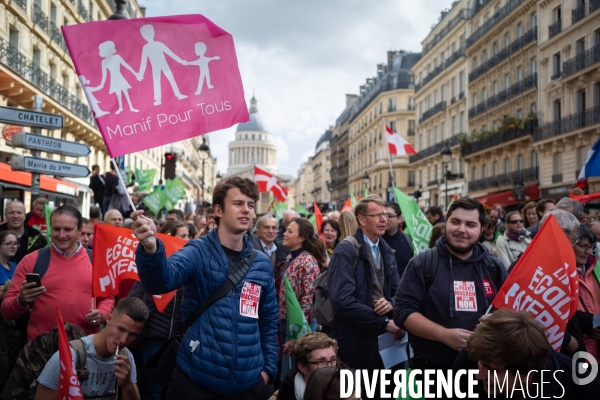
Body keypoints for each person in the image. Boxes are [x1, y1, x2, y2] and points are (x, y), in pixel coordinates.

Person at [132, 176, 278, 399]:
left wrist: (267, 372)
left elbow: (268, 322)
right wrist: (151, 248)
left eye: (250, 205)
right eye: (238, 204)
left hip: (248, 385)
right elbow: (161, 281)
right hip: (196, 381)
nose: (246, 210)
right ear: (218, 210)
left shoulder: (261, 264)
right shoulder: (197, 251)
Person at [394, 197, 507, 373]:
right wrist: (444, 335)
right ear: (446, 224)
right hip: (433, 372)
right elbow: (403, 312)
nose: (461, 230)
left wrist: (499, 320)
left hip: (485, 372)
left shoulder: (494, 266)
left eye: (470, 224)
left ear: (481, 229)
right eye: (455, 222)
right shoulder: (422, 264)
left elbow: (510, 310)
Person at [1, 205, 115, 342]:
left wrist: (102, 314)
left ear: (79, 230)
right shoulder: (31, 261)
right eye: (56, 229)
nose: (61, 235)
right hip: (42, 350)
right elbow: (6, 310)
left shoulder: (97, 261)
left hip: (85, 348)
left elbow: (107, 298)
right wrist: (21, 300)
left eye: (67, 229)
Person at [328, 195, 402, 397]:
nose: (384, 220)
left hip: (384, 347)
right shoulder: (346, 249)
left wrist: (390, 304)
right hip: (353, 344)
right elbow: (342, 300)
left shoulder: (387, 250)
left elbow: (399, 293)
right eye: (377, 215)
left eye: (386, 215)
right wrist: (383, 322)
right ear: (362, 219)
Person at [453, 309, 600, 398]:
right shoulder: (470, 360)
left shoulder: (585, 388)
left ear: (525, 375)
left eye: (492, 370)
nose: (479, 375)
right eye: (482, 364)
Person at [34, 297, 148, 400]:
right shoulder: (70, 357)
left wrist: (127, 384)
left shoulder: (126, 357)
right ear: (108, 319)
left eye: (132, 335)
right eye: (121, 329)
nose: (123, 340)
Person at [129, 222, 189, 400]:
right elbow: (136, 302)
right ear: (169, 236)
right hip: (154, 340)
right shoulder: (152, 265)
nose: (188, 240)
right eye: (183, 235)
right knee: (153, 390)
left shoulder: (187, 265)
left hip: (177, 340)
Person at [278, 218, 324, 381]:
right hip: (287, 322)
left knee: (292, 375)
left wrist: (295, 335)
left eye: (290, 231)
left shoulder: (307, 262)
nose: (284, 233)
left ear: (301, 238)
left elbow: (308, 300)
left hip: (299, 326)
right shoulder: (291, 256)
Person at [275, 332, 338, 400]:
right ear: (303, 368)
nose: (330, 366)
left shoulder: (345, 389)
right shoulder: (287, 392)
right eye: (321, 362)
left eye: (333, 359)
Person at [572, 224, 600, 362]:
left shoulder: (597, 266)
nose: (587, 251)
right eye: (583, 246)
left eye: (590, 247)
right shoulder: (561, 274)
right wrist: (587, 322)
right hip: (580, 346)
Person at [381, 202, 413, 279]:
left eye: (389, 215)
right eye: (382, 215)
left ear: (400, 218)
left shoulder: (409, 241)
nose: (384, 219)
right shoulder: (375, 241)